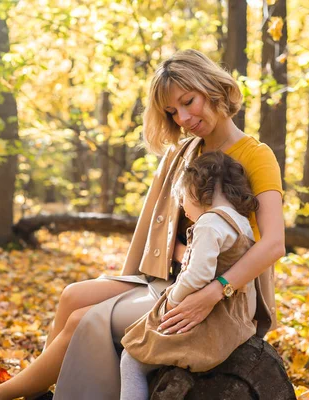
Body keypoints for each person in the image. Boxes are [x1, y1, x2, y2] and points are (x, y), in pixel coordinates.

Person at [0, 49, 284, 400]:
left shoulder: (255, 154)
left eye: (188, 101)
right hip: (173, 276)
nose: (183, 117)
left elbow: (273, 244)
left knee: (85, 321)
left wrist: (215, 291)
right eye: (172, 112)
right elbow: (179, 236)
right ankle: (39, 392)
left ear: (212, 88)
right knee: (72, 297)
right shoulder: (186, 153)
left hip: (223, 293)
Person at [119, 150, 259, 399]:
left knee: (131, 356)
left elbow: (197, 276)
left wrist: (171, 300)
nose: (182, 208)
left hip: (208, 324)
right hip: (234, 320)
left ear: (197, 190)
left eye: (182, 199)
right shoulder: (242, 223)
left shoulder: (208, 224)